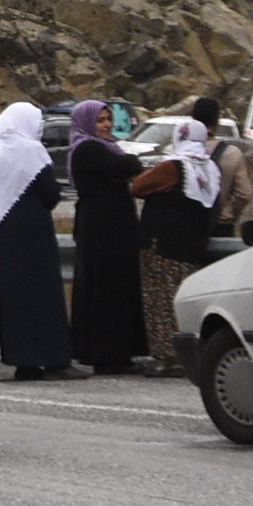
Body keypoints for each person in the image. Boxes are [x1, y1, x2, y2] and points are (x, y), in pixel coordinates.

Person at [0, 102, 74, 379]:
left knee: (16, 299)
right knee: (43, 296)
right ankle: (54, 360)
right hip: (33, 233)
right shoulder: (31, 149)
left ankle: (25, 362)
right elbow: (50, 192)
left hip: (3, 233)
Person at [64, 99, 147, 374]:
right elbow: (127, 167)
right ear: (87, 122)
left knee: (117, 287)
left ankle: (118, 352)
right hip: (102, 230)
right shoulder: (87, 148)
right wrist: (128, 165)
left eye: (108, 120)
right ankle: (106, 355)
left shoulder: (103, 147)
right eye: (100, 120)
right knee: (107, 288)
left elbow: (125, 168)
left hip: (111, 228)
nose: (107, 125)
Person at [131, 117, 221, 363]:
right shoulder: (209, 168)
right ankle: (189, 353)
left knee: (161, 301)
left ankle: (169, 356)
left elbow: (137, 187)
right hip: (192, 246)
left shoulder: (173, 167)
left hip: (162, 245)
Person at [192, 95, 251, 233]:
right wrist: (230, 214)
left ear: (193, 119)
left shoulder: (179, 151)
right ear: (218, 121)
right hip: (221, 223)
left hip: (189, 225)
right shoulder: (232, 153)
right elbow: (244, 194)